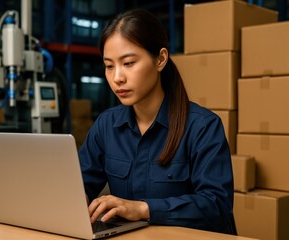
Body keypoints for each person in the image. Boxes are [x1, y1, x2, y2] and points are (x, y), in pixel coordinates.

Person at [78, 8, 236, 235]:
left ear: (160, 59)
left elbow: (217, 206)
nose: (117, 78)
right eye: (109, 66)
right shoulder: (106, 125)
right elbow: (81, 182)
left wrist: (143, 209)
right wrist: (75, 198)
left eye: (129, 63)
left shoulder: (202, 127)